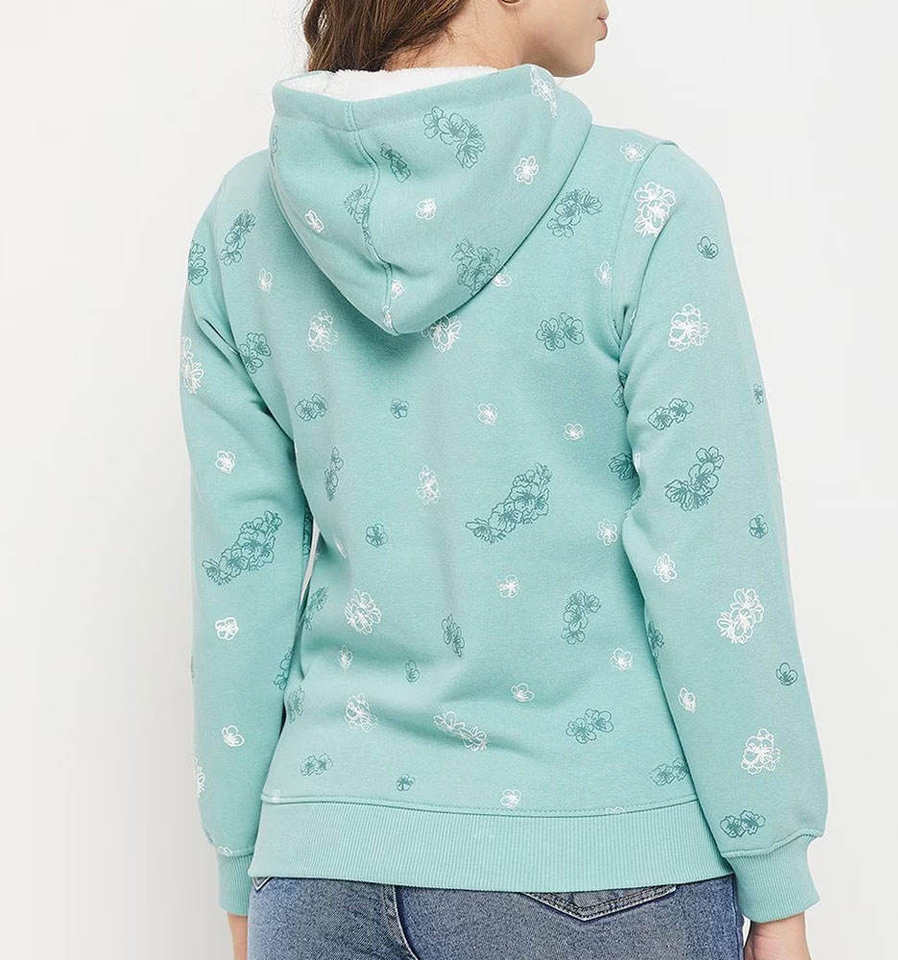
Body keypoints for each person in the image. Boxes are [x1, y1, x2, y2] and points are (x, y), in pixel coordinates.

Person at [178, 2, 828, 957]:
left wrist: (247, 871)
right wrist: (775, 876)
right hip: (600, 856)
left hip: (319, 866)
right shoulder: (643, 202)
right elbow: (711, 561)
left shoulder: (246, 224)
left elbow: (239, 584)